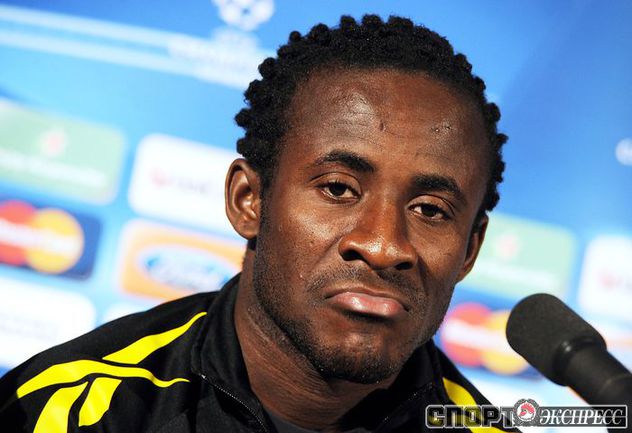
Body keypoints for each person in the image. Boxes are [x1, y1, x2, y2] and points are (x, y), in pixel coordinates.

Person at [0, 14, 512, 433]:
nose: (382, 245)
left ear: (470, 250)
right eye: (338, 189)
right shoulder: (72, 413)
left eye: (430, 210)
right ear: (249, 201)